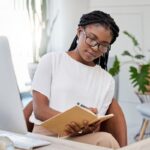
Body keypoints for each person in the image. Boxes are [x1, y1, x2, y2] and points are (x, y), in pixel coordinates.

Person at [30, 10, 120, 148]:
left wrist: (88, 127)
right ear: (79, 32)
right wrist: (70, 122)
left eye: (103, 45)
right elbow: (40, 110)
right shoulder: (52, 60)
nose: (95, 48)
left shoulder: (107, 80)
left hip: (80, 138)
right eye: (91, 38)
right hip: (46, 137)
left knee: (107, 140)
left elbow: (96, 124)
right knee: (107, 141)